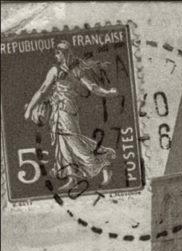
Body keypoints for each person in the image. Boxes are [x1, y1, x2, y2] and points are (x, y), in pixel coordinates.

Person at [22, 40, 117, 188]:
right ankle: (71, 178)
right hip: (57, 111)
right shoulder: (54, 70)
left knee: (74, 142)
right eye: (55, 53)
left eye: (58, 53)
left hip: (68, 110)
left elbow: (92, 87)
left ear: (64, 53)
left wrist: (107, 92)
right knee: (63, 144)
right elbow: (42, 90)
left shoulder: (76, 69)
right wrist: (29, 109)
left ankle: (104, 166)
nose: (56, 56)